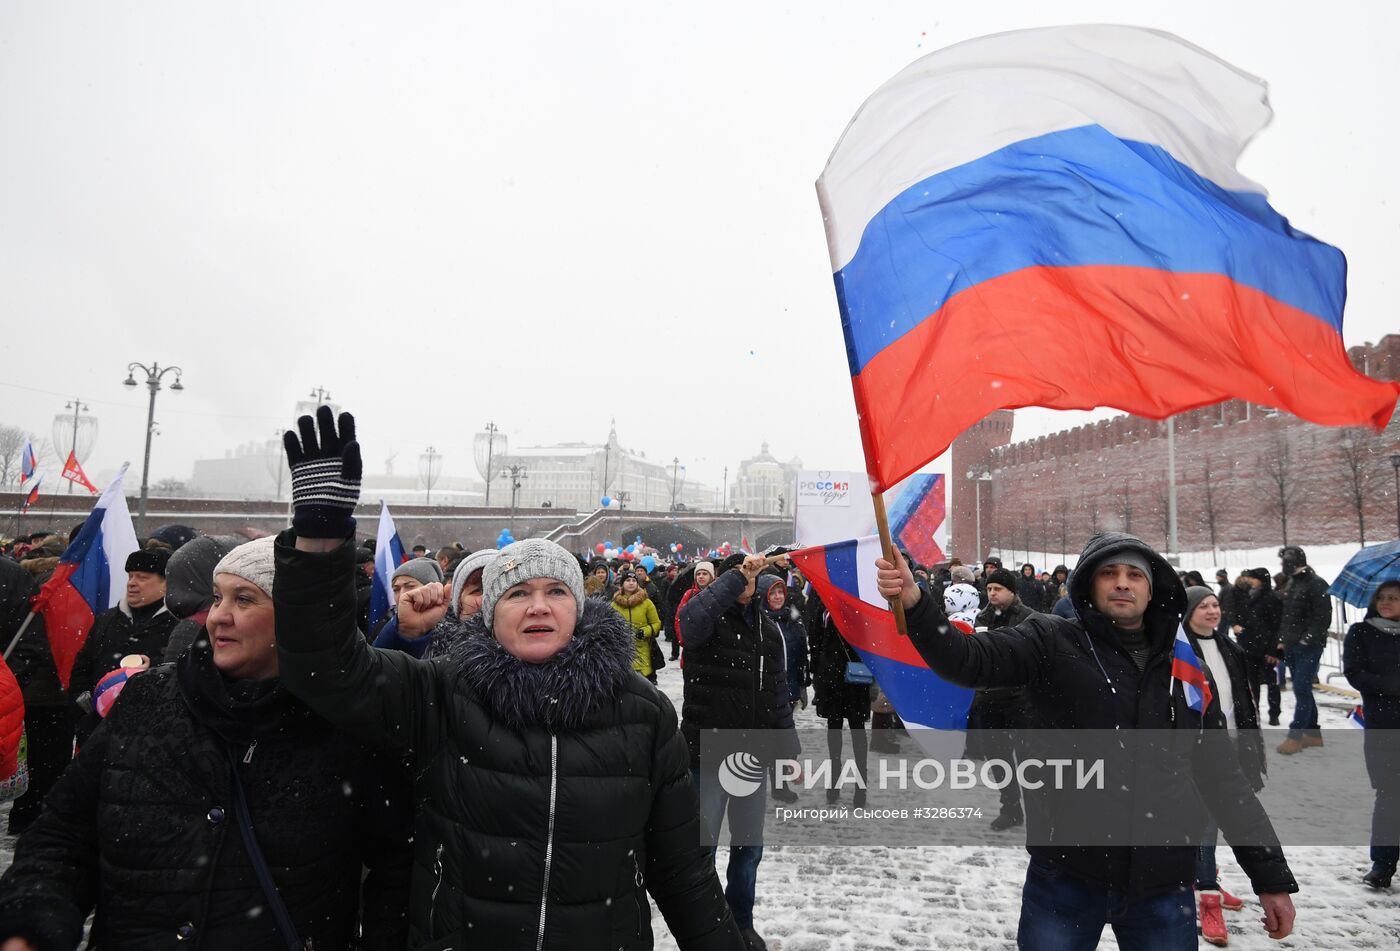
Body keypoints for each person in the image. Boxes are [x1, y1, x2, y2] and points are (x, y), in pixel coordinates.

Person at [273, 408, 745, 950]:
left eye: (556, 592)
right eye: (518, 594)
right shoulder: (441, 692)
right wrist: (320, 539)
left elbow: (682, 871)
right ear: (490, 614)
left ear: (579, 608)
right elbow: (326, 670)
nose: (538, 607)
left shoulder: (644, 712)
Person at [876, 531, 1298, 949]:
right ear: (1088, 584)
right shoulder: (1049, 640)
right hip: (1066, 874)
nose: (1121, 582)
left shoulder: (1186, 668)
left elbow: (1224, 779)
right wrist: (917, 605)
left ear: (1152, 590)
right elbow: (966, 660)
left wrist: (1270, 876)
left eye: (1135, 575)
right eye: (1108, 572)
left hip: (1164, 882)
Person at [0, 536, 414, 950]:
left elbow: (394, 871)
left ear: (299, 616)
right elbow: (64, 833)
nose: (219, 617)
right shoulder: (147, 701)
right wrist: (32, 924)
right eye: (217, 598)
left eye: (245, 599)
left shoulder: (346, 725)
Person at [679, 552, 799, 950]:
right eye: (743, 574)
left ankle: (740, 920)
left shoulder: (768, 630)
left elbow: (778, 695)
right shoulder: (708, 621)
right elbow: (690, 620)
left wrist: (788, 753)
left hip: (751, 758)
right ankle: (706, 926)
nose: (750, 582)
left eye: (754, 575)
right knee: (703, 848)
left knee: (748, 849)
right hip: (707, 755)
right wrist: (735, 577)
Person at [1182, 586, 1268, 946]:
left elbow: (1244, 699)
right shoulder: (1182, 652)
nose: (1212, 611)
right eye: (1203, 606)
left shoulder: (1230, 648)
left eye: (1215, 605)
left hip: (1235, 743)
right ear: (1188, 613)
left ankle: (1207, 882)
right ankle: (1206, 900)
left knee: (1217, 822)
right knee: (1204, 825)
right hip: (1201, 748)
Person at [68, 548, 179, 747]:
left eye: (143, 578)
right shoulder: (107, 619)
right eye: (130, 576)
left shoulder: (178, 624)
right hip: (97, 731)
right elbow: (82, 667)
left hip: (149, 736)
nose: (132, 583)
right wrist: (86, 707)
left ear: (166, 583)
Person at [973, 567, 1041, 831]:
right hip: (989, 697)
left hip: (1020, 699)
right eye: (989, 589)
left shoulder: (1028, 619)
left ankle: (1038, 809)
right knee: (998, 758)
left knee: (1029, 758)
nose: (992, 593)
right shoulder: (982, 617)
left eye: (997, 589)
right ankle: (1010, 808)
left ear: (1011, 592)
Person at [1342, 580, 1400, 890]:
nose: (1387, 602)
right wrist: (1392, 686)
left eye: (1394, 598)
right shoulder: (1361, 632)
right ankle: (1383, 863)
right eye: (1382, 597)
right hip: (1384, 726)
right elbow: (1354, 672)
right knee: (1390, 794)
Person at [808, 578, 874, 809]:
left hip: (856, 680)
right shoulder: (823, 607)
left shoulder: (861, 608)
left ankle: (860, 787)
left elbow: (871, 642)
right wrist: (816, 676)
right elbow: (815, 642)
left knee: (858, 734)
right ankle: (833, 783)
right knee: (833, 735)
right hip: (831, 680)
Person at [1276, 545, 1333, 755]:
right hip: (1291, 645)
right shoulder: (1292, 582)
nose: (1283, 565)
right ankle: (1313, 734)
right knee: (1303, 690)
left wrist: (1306, 640)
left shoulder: (1316, 583)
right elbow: (1288, 614)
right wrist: (1283, 639)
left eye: (1285, 561)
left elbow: (1322, 617)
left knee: (1301, 688)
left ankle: (1296, 736)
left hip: (1309, 647)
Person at [1232, 568, 1284, 727]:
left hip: (1267, 648)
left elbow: (1276, 625)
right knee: (1252, 682)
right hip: (1250, 646)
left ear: (1261, 580)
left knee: (1271, 683)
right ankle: (1255, 711)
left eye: (1253, 578)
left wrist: (1274, 650)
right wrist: (1240, 629)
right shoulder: (1250, 595)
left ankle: (1274, 713)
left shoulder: (1271, 597)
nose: (1250, 581)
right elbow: (1246, 618)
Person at [612, 567, 663, 684]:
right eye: (628, 580)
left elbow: (656, 623)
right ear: (622, 584)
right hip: (622, 653)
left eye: (634, 580)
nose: (631, 583)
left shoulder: (646, 602)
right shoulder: (614, 604)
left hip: (644, 652)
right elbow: (609, 625)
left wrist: (645, 631)